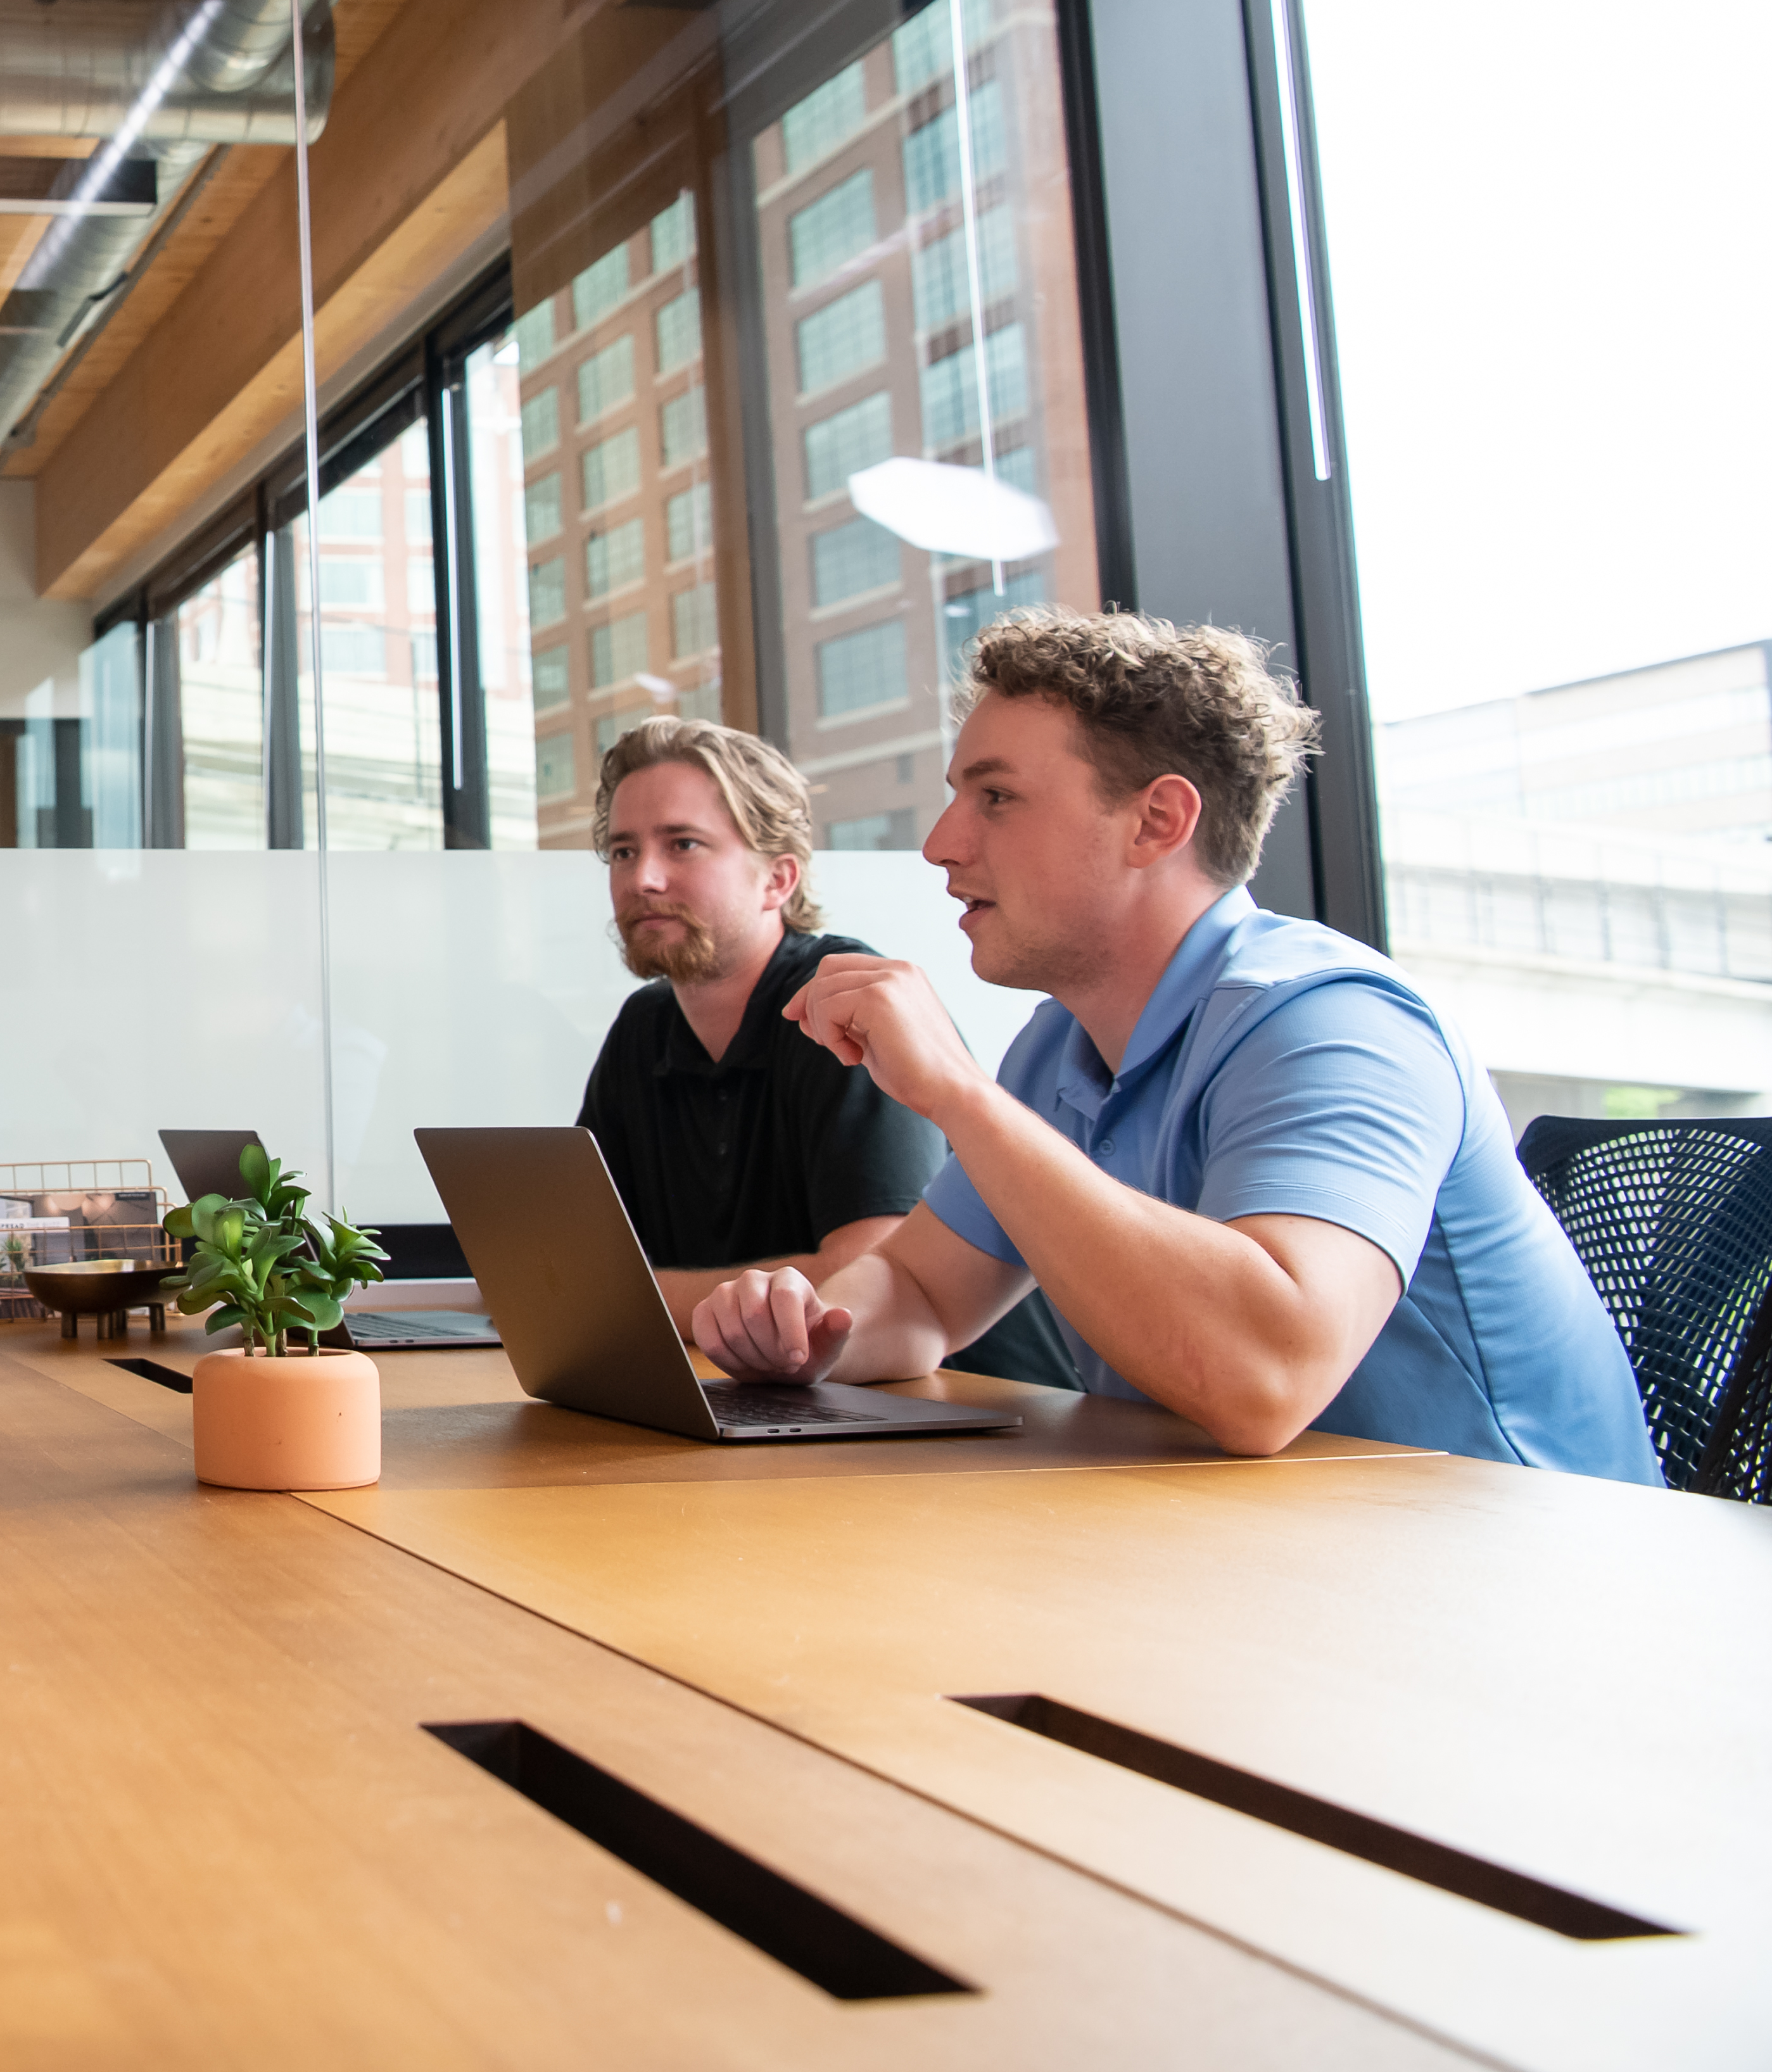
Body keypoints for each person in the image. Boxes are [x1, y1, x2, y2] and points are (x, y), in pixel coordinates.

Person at [690, 611, 1658, 1479]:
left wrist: (959, 1095)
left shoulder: (1338, 1024)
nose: (943, 842)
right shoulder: (1064, 1043)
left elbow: (1266, 1377)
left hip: (1524, 1582)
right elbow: (922, 1294)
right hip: (1286, 1558)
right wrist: (813, 1334)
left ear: (1158, 821)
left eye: (996, 798)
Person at [579, 718, 1075, 1387]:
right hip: (778, 1400)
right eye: (622, 852)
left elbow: (864, 1271)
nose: (645, 879)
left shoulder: (843, 1003)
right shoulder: (645, 1029)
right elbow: (588, 1267)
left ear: (778, 879)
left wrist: (632, 1303)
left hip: (962, 1415)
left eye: (684, 845)